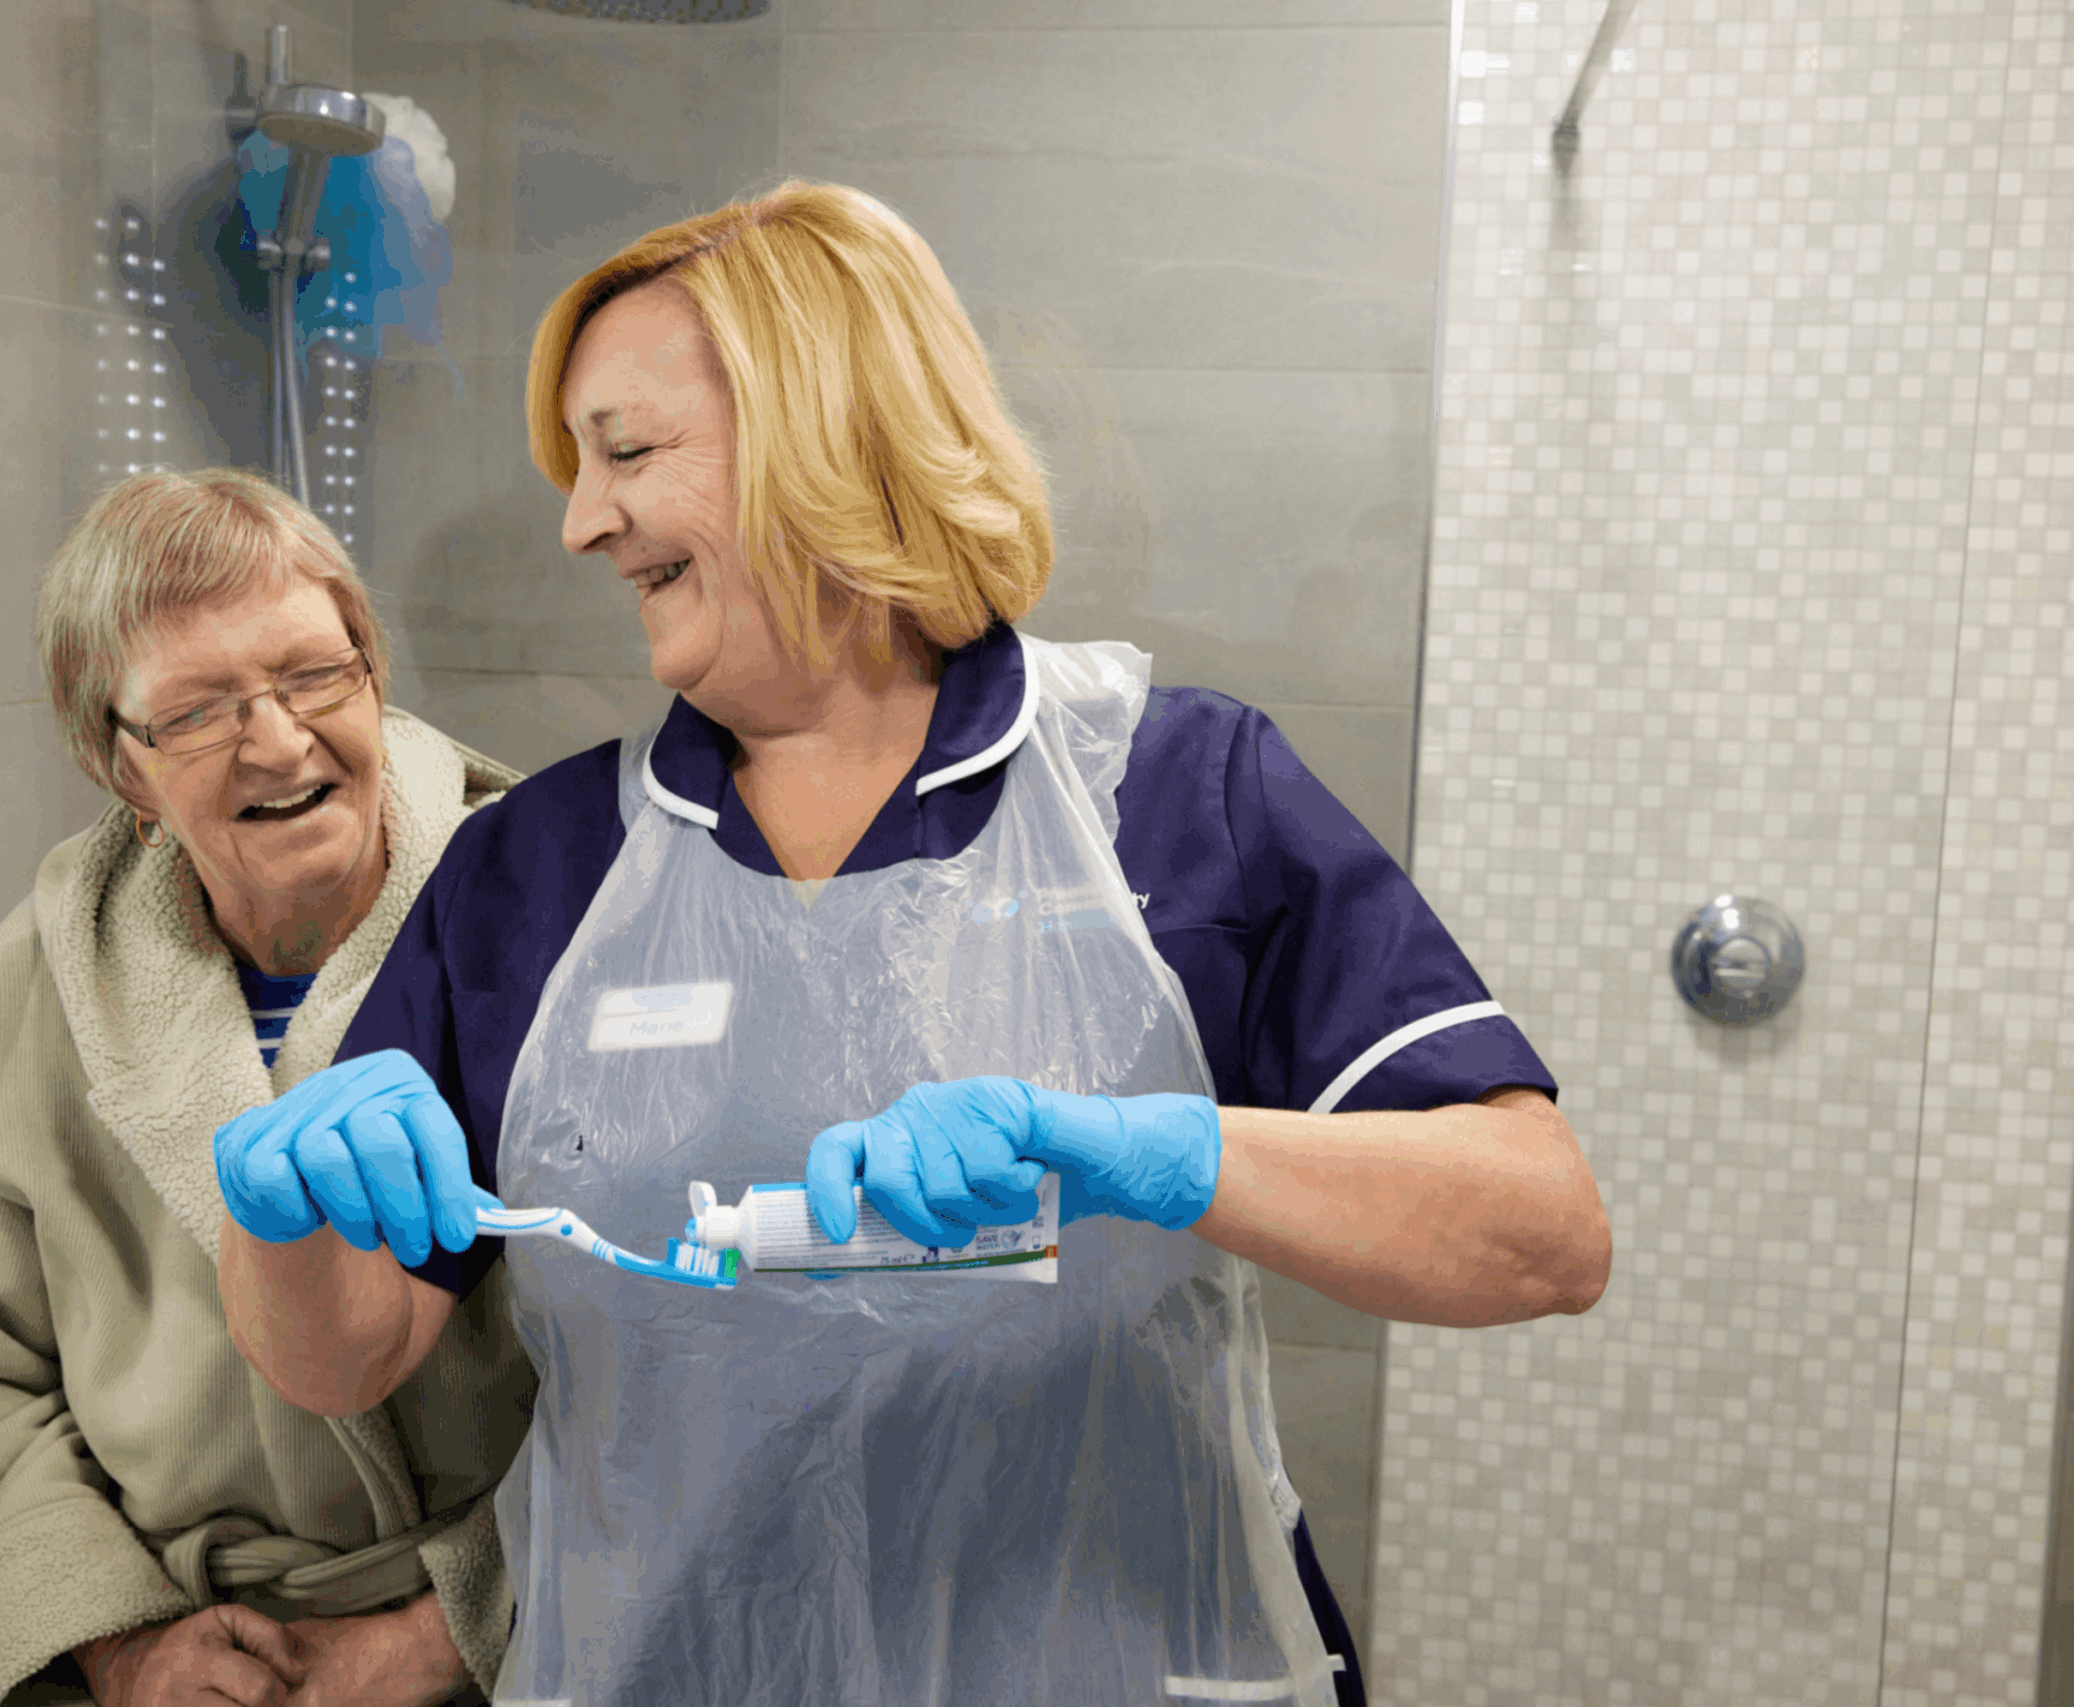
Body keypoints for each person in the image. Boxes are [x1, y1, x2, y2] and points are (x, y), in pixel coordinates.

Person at [207, 183, 1614, 1706]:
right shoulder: (533, 868)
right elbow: (340, 1361)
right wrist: (281, 1209)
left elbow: (1544, 1230)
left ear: (825, 428)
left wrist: (1162, 1149)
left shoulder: (1174, 792)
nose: (580, 520)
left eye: (627, 451)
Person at [0, 468, 536, 1707]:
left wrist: (450, 1628)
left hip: (526, 1634)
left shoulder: (543, 911)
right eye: (201, 712)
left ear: (372, 671)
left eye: (313, 674)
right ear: (124, 770)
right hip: (183, 1634)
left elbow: (682, 1365)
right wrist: (122, 1643)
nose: (277, 740)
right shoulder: (31, 995)